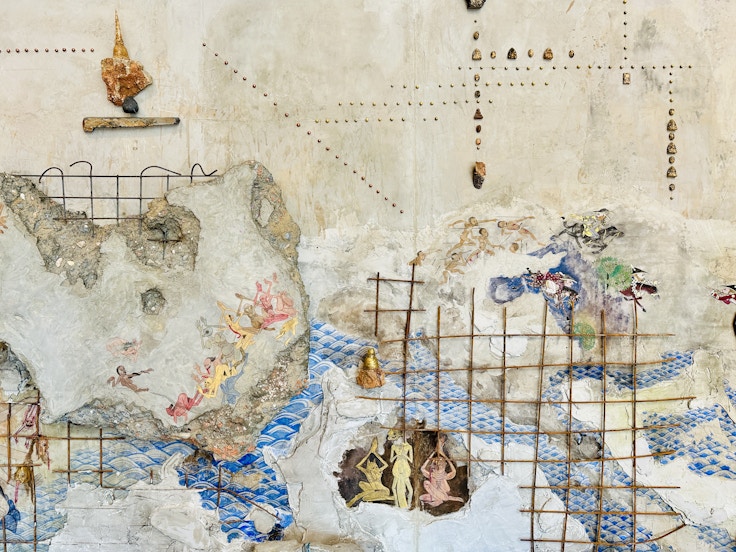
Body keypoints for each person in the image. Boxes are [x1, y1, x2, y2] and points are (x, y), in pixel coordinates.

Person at [389, 432, 413, 509]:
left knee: (410, 489)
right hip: (397, 466)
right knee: (393, 487)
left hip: (405, 467)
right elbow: (391, 460)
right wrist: (397, 455)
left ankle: (408, 504)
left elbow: (411, 460)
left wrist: (404, 455)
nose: (395, 441)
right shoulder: (394, 447)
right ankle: (397, 503)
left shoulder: (408, 447)